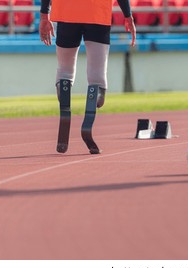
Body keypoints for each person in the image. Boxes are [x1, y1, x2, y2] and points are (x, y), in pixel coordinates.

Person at [39, 0, 136, 153]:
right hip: (97, 13)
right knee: (97, 74)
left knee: (65, 70)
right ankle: (89, 121)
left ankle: (64, 105)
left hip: (67, 12)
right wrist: (128, 16)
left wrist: (44, 15)